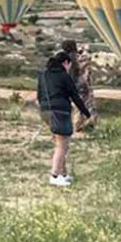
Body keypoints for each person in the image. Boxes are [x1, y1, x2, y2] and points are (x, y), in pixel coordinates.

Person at [37, 51, 92, 186]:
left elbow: (39, 94)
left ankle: (63, 174)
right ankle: (54, 176)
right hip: (60, 112)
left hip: (45, 111)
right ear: (66, 63)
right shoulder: (63, 76)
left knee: (60, 143)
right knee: (62, 146)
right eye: (69, 65)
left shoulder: (43, 75)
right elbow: (75, 96)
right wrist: (86, 113)